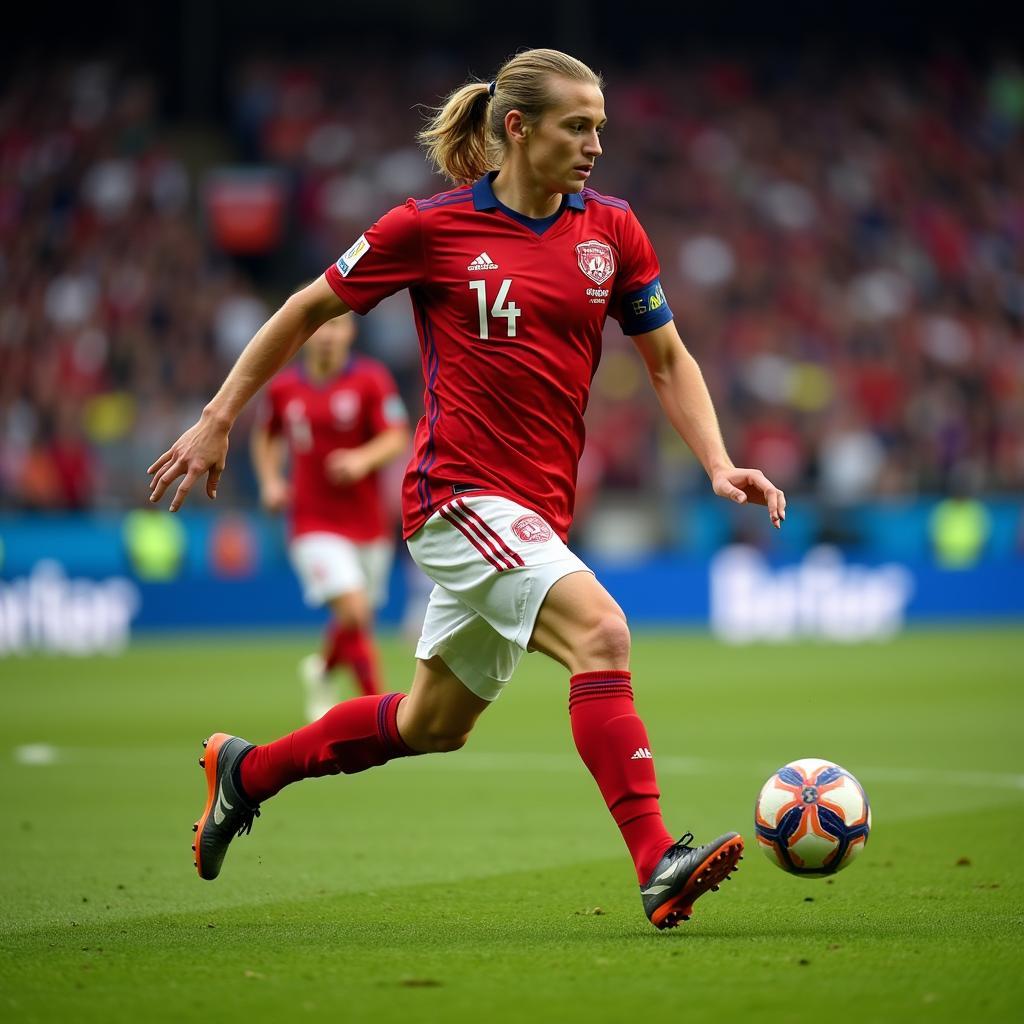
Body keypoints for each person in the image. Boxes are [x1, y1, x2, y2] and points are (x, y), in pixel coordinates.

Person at [148, 48, 786, 931]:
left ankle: (245, 773)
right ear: (517, 129)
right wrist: (220, 416)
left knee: (431, 724)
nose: (597, 142)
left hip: (537, 513)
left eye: (601, 124)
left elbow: (667, 359)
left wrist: (717, 461)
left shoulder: (614, 231)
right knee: (602, 633)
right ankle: (656, 863)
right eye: (578, 125)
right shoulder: (428, 227)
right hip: (456, 497)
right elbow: (305, 309)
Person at [250, 313, 409, 720]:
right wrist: (270, 480)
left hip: (368, 523)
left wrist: (361, 458)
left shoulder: (371, 379)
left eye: (336, 326)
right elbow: (266, 435)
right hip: (311, 522)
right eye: (320, 326)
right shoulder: (285, 388)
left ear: (350, 333)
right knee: (354, 611)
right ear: (307, 334)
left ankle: (322, 671)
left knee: (356, 618)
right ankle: (379, 708)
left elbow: (396, 435)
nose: (327, 336)